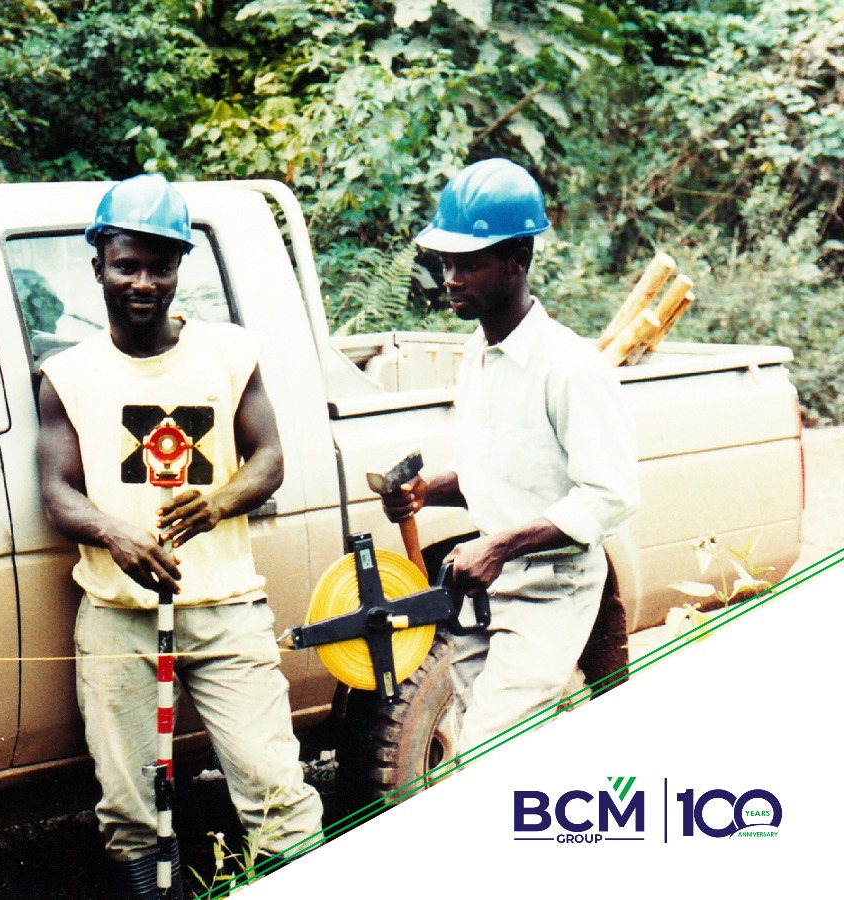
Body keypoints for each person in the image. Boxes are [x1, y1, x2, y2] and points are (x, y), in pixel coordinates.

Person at [36, 174, 324, 898]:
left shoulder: (229, 354)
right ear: (97, 265)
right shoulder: (68, 374)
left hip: (226, 608)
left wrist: (218, 503)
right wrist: (115, 534)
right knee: (130, 809)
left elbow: (270, 459)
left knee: (275, 791)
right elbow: (56, 491)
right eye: (126, 265)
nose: (143, 283)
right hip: (118, 615)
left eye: (159, 267)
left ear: (179, 268)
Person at [383, 157, 640, 759]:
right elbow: (498, 473)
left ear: (517, 260)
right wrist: (428, 491)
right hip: (486, 587)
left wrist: (499, 546)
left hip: (552, 585)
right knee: (495, 742)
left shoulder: (569, 369)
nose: (451, 278)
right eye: (446, 262)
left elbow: (611, 496)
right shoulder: (477, 355)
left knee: (488, 746)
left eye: (469, 264)